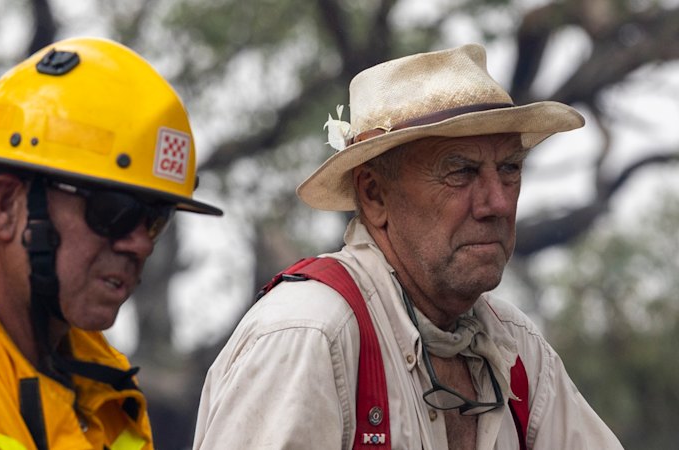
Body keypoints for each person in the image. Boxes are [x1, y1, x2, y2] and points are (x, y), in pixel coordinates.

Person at [192, 44, 623, 449]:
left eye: (510, 168)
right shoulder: (310, 333)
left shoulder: (517, 347)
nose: (498, 202)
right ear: (375, 195)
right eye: (461, 171)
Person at [0, 37, 222, 449]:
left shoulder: (101, 384)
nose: (140, 245)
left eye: (155, 219)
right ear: (6, 205)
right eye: (114, 210)